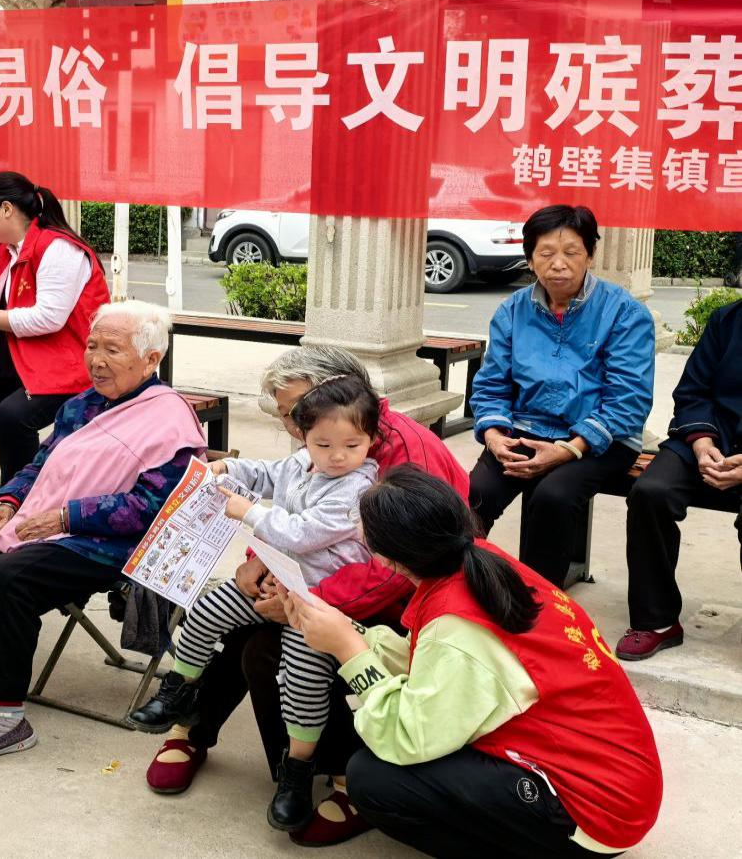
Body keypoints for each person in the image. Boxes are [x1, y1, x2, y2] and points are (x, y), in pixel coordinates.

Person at [142, 346, 470, 848]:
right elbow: (285, 492)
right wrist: (259, 562)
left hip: (400, 592)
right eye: (286, 416)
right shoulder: (315, 446)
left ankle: (324, 773)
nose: (292, 426)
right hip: (310, 577)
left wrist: (306, 598)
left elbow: (400, 567)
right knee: (231, 612)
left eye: (295, 410)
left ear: (340, 395)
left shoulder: (393, 455)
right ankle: (187, 720)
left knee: (267, 649)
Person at [288, 465, 663, 856]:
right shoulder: (477, 560)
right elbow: (429, 663)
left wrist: (348, 649)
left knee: (374, 780)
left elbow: (409, 737)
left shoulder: (457, 626)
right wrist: (347, 632)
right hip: (609, 771)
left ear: (388, 559)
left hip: (593, 811)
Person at [0, 301, 207, 768]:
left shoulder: (169, 418)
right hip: (44, 524)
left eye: (112, 350)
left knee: (3, 579)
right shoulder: (82, 405)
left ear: (151, 359)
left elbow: (152, 508)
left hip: (110, 545)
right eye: (92, 346)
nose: (96, 360)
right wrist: (4, 504)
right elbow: (41, 466)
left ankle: (5, 719)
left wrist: (69, 517)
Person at [130, 376, 380, 831]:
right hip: (275, 581)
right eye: (324, 444)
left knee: (303, 680)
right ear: (304, 436)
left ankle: (298, 768)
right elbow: (267, 473)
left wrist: (250, 513)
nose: (337, 456)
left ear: (371, 439)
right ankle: (178, 693)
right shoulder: (304, 462)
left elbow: (302, 533)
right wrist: (229, 469)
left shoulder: (357, 488)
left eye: (352, 445)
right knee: (206, 610)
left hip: (315, 601)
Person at [468, 204, 654, 587]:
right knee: (472, 495)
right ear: (530, 259)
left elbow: (629, 399)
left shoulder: (624, 312)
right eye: (546, 253)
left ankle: (540, 601)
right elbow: (491, 384)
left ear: (590, 254)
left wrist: (569, 449)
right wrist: (494, 436)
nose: (558, 264)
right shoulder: (512, 310)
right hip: (525, 427)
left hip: (601, 439)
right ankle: (460, 589)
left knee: (552, 496)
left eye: (571, 252)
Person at [0, 171, 110, 484]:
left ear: (6, 209)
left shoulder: (58, 249)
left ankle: (17, 500)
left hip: (64, 364)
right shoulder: (8, 251)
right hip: (15, 358)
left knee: (12, 417)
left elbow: (48, 318)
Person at [620, 297, 742, 660]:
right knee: (650, 493)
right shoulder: (727, 320)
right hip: (713, 437)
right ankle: (656, 621)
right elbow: (692, 390)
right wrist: (702, 443)